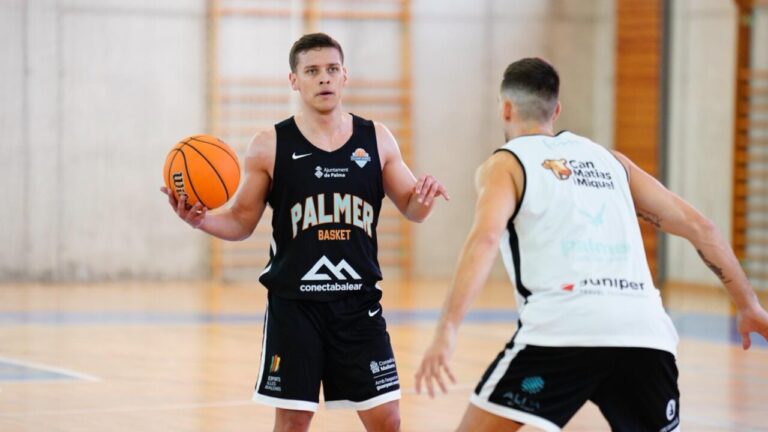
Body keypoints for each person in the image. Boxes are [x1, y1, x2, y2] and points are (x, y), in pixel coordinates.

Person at [414, 57, 768, 432]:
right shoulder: (611, 161)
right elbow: (702, 226)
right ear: (557, 110)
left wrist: (447, 330)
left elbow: (485, 239)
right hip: (644, 333)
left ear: (505, 108)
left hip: (563, 330)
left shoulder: (506, 164)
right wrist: (749, 305)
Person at [161, 32, 449, 432]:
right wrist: (200, 219)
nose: (324, 79)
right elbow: (242, 221)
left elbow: (412, 208)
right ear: (294, 80)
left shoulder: (377, 139)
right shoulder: (269, 145)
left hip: (358, 304)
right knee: (294, 422)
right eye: (312, 71)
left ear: (345, 75)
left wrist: (427, 197)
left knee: (388, 419)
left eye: (331, 69)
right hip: (296, 307)